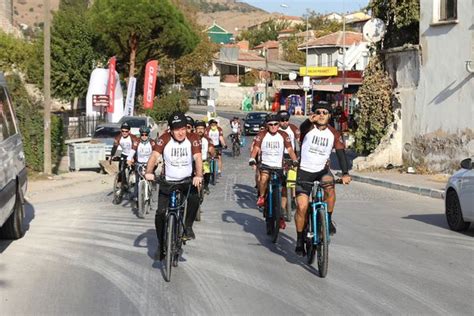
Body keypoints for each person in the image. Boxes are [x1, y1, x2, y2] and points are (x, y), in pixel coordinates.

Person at [294, 102, 351, 256]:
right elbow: (303, 128)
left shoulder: (334, 133)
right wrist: (308, 120)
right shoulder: (308, 129)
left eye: (324, 112)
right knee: (302, 207)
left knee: (330, 189)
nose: (321, 115)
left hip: (322, 171)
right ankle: (300, 240)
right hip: (304, 172)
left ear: (329, 115)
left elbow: (341, 154)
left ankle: (328, 220)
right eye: (318, 112)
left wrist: (345, 173)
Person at [145, 112, 203, 261]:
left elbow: (197, 158)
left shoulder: (193, 139)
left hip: (186, 181)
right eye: (177, 129)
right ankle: (161, 244)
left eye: (183, 128)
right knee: (160, 213)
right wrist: (149, 172)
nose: (181, 132)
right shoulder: (164, 139)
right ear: (170, 130)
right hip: (167, 182)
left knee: (195, 198)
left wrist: (198, 175)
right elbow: (154, 156)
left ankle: (188, 228)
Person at [249, 114, 298, 210]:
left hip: (279, 166)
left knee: (284, 187)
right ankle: (262, 197)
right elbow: (256, 148)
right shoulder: (262, 134)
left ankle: (282, 211)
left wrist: (295, 160)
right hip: (265, 165)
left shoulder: (284, 135)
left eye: (276, 124)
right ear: (267, 125)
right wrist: (252, 158)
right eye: (270, 124)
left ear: (279, 124)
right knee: (263, 179)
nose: (273, 126)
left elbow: (290, 149)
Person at [277, 110, 301, 215]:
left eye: (286, 120)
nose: (284, 122)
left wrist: (298, 157)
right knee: (282, 183)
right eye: (282, 121)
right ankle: (281, 208)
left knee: (293, 178)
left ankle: (293, 198)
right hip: (279, 157)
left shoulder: (294, 129)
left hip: (292, 156)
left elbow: (299, 143)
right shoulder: (275, 129)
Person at [127, 126, 156, 202]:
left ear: (148, 135)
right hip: (139, 164)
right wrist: (129, 159)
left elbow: (156, 153)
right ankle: (136, 194)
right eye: (142, 134)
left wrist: (157, 160)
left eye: (145, 134)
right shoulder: (137, 141)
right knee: (137, 180)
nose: (144, 136)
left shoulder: (152, 142)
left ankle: (151, 192)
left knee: (150, 178)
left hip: (149, 164)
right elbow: (132, 151)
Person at [110, 122, 138, 187]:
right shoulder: (118, 138)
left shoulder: (133, 137)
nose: (124, 133)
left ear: (129, 131)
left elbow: (135, 148)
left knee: (135, 168)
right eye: (122, 131)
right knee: (121, 168)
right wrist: (111, 156)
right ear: (121, 131)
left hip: (133, 154)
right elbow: (114, 147)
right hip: (124, 154)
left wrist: (132, 158)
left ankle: (134, 177)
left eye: (126, 131)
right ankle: (123, 182)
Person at [195, 120, 215, 194]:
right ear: (195, 129)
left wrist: (212, 154)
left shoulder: (207, 139)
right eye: (198, 128)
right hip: (194, 161)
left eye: (202, 129)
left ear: (204, 130)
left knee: (207, 172)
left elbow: (211, 149)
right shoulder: (191, 138)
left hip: (204, 160)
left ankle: (206, 186)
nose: (200, 130)